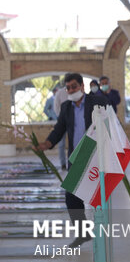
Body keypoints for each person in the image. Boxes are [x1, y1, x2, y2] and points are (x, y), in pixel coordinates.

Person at [37, 73, 109, 247]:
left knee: (97, 197)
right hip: (78, 157)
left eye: (74, 87)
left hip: (94, 155)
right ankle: (83, 233)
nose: (71, 90)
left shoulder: (97, 103)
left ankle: (103, 232)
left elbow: (110, 125)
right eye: (68, 88)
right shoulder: (66, 107)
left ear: (82, 87)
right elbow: (59, 129)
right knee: (71, 197)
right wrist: (47, 143)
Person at [54, 75, 69, 170]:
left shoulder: (77, 92)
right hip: (62, 121)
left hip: (74, 121)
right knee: (61, 143)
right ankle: (63, 163)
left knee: (75, 142)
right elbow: (56, 107)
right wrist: (61, 118)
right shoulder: (60, 93)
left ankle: (74, 162)